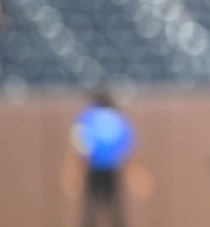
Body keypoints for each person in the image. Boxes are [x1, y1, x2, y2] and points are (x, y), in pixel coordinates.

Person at [60, 89, 151, 227]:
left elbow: (79, 150)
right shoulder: (118, 119)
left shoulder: (88, 118)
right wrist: (138, 177)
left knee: (91, 213)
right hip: (110, 170)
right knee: (114, 213)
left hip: (95, 170)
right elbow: (130, 151)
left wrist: (73, 173)